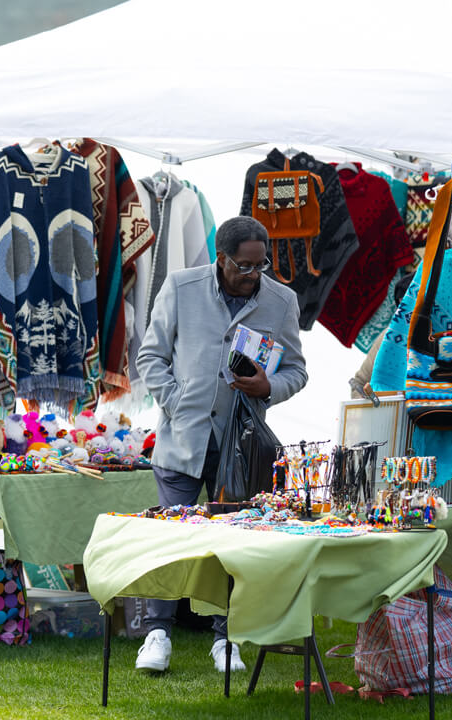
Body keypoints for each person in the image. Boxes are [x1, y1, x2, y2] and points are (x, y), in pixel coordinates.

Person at [133, 216, 308, 673]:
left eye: (260, 265)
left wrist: (269, 387)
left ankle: (226, 638)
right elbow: (150, 356)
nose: (254, 275)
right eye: (245, 266)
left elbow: (297, 370)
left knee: (233, 541)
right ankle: (156, 634)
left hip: (241, 444)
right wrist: (175, 403)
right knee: (169, 536)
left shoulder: (281, 300)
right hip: (182, 438)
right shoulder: (181, 287)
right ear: (221, 258)